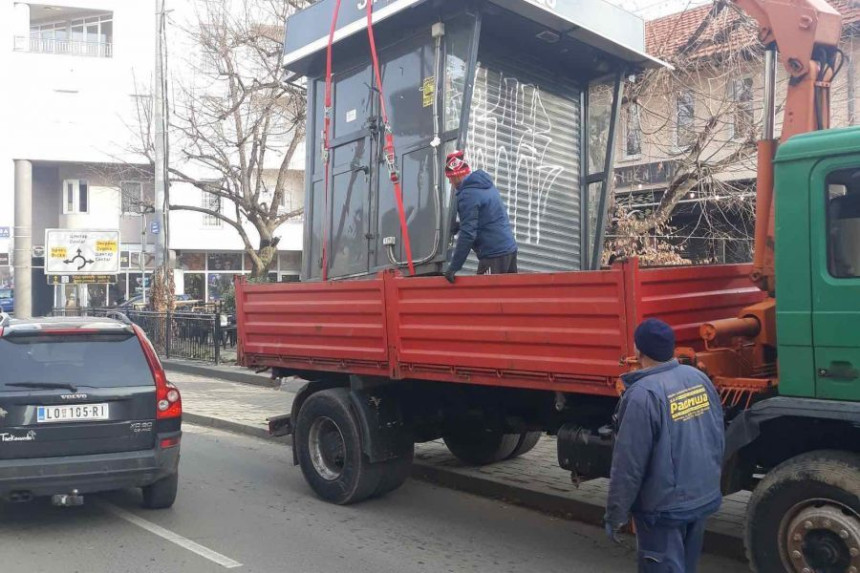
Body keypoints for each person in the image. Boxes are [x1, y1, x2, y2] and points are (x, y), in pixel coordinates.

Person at [605, 318, 725, 573]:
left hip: (663, 509)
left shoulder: (642, 394)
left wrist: (616, 514)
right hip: (700, 497)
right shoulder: (698, 378)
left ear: (639, 351)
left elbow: (629, 464)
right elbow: (716, 434)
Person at [443, 150, 518, 283]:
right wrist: (460, 225)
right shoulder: (484, 185)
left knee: (484, 299)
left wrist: (454, 267)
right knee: (506, 299)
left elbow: (468, 235)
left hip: (494, 255)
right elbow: (487, 218)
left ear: (456, 176)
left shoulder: (467, 195)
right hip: (509, 251)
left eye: (450, 178)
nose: (450, 183)